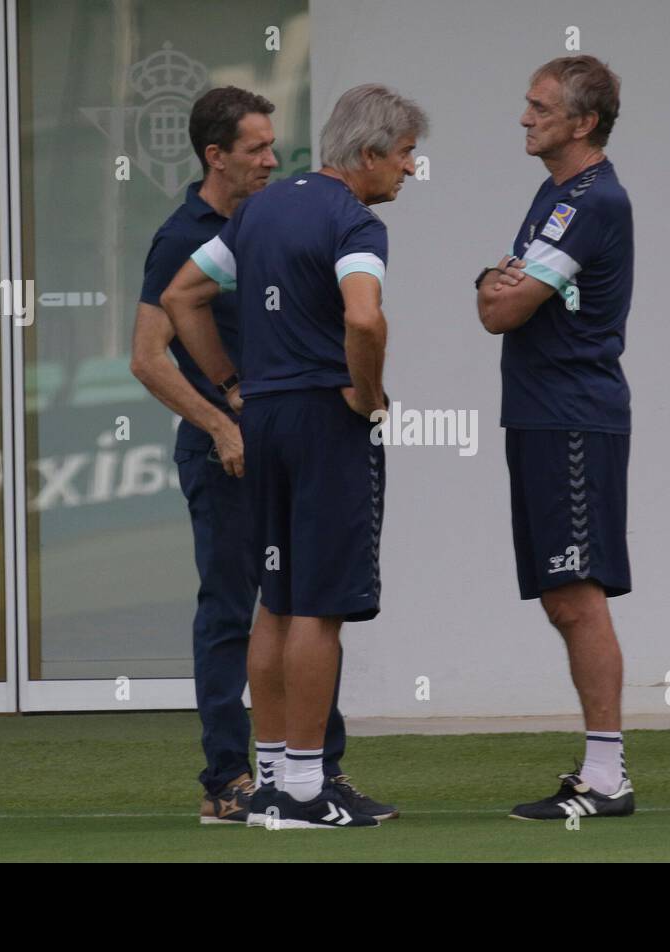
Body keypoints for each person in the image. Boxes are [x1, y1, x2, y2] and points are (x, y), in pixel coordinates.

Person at [162, 83, 427, 830]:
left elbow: (184, 299)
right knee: (319, 605)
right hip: (322, 421)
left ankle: (274, 777)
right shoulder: (354, 222)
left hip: (265, 421)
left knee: (274, 602)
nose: (410, 169)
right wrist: (367, 393)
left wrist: (232, 383)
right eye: (405, 154)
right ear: (369, 153)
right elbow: (365, 319)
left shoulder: (259, 210)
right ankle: (307, 791)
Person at [474, 56, 636, 820]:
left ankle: (607, 778)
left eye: (540, 107)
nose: (524, 116)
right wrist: (495, 280)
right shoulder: (554, 193)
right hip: (541, 413)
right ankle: (600, 771)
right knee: (561, 594)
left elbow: (503, 310)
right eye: (528, 102)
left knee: (578, 593)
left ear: (583, 123)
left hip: (571, 414)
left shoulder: (592, 202)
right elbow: (500, 292)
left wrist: (499, 285)